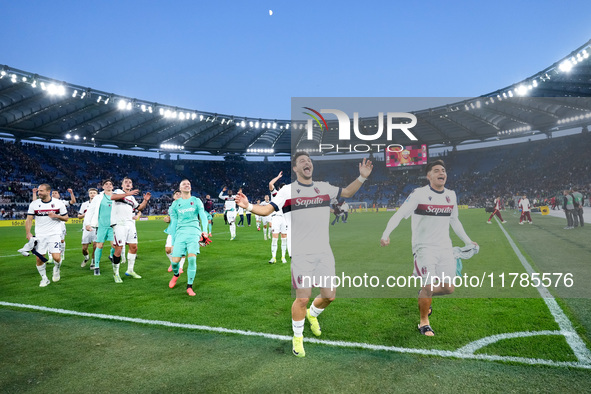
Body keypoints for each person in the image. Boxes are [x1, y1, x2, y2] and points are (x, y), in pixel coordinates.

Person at [234, 151, 373, 357]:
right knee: (302, 298)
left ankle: (313, 315)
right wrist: (249, 206)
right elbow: (266, 210)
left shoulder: (324, 187)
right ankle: (298, 338)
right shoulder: (287, 191)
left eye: (308, 160)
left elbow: (347, 193)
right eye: (301, 161)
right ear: (296, 169)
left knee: (329, 296)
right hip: (301, 254)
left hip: (324, 252)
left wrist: (362, 176)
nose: (306, 163)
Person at [380, 160, 478, 337]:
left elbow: (454, 221)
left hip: (445, 248)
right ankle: (424, 322)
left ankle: (423, 294)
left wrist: (469, 241)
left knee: (449, 289)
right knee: (429, 286)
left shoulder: (451, 195)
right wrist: (386, 234)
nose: (442, 173)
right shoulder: (419, 194)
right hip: (424, 248)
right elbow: (400, 214)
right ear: (429, 176)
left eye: (443, 170)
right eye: (436, 170)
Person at [168, 179, 210, 296]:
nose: (187, 185)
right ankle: (176, 274)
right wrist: (173, 241)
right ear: (180, 189)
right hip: (181, 233)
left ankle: (189, 286)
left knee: (192, 258)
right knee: (175, 262)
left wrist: (204, 231)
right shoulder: (175, 204)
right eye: (184, 184)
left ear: (190, 188)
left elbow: (202, 215)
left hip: (194, 232)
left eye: (189, 184)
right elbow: (174, 223)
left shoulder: (196, 201)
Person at [25, 184, 69, 287]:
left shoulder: (58, 203)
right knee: (39, 258)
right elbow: (29, 219)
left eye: (41, 191)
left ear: (48, 191)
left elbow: (66, 218)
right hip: (40, 235)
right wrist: (28, 232)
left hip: (54, 234)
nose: (39, 193)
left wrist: (56, 216)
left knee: (57, 258)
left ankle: (57, 269)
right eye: (38, 191)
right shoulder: (34, 204)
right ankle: (44, 279)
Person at [110, 177, 151, 283]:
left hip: (130, 224)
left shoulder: (132, 198)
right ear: (122, 185)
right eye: (126, 182)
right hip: (119, 223)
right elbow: (112, 197)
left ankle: (130, 270)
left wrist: (145, 201)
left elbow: (139, 208)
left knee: (134, 247)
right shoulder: (118, 191)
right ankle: (116, 273)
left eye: (130, 182)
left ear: (132, 186)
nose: (128, 184)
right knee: (119, 248)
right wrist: (128, 194)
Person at [33, 187, 76, 263]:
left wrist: (71, 193)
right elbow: (35, 203)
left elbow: (73, 201)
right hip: (48, 225)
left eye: (55, 193)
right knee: (50, 240)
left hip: (60, 224)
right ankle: (50, 257)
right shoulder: (46, 202)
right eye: (52, 193)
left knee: (61, 240)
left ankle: (62, 254)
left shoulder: (62, 202)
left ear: (59, 195)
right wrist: (34, 193)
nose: (54, 194)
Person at [86, 180, 117, 275]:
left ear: (112, 186)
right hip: (102, 225)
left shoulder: (116, 197)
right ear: (103, 187)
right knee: (100, 245)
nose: (108, 186)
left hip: (113, 225)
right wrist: (87, 223)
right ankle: (97, 266)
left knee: (115, 245)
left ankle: (111, 255)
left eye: (110, 184)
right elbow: (90, 211)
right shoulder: (98, 197)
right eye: (106, 184)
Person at [268, 172, 288, 264]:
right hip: (275, 218)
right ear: (279, 189)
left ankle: (283, 257)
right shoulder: (275, 193)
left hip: (284, 219)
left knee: (284, 239)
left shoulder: (287, 197)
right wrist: (278, 177)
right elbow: (270, 184)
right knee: (275, 238)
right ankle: (273, 257)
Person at [165, 190, 185, 274]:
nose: (178, 195)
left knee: (182, 250)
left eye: (180, 194)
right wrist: (167, 219)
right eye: (176, 194)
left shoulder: (185, 206)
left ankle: (180, 267)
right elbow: (171, 218)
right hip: (172, 230)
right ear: (173, 196)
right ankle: (172, 262)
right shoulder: (171, 207)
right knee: (168, 250)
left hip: (182, 230)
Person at [78, 188, 98, 267]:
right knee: (84, 249)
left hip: (96, 227)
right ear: (89, 194)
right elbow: (79, 216)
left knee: (95, 246)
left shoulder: (99, 204)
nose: (92, 194)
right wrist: (84, 215)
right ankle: (86, 258)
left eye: (94, 193)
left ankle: (93, 261)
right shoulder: (84, 204)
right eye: (91, 193)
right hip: (86, 228)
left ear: (97, 194)